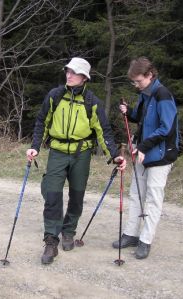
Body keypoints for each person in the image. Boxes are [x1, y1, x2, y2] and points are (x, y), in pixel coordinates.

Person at [26, 57, 126, 265]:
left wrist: (114, 154)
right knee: (52, 192)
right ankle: (51, 240)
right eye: (68, 71)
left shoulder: (92, 102)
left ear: (84, 78)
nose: (69, 75)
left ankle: (69, 231)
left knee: (77, 195)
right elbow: (41, 122)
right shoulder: (55, 96)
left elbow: (103, 132)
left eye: (74, 72)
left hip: (82, 154)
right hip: (57, 152)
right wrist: (35, 146)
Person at [112, 57, 179, 259]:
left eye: (138, 81)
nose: (136, 85)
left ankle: (145, 240)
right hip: (142, 152)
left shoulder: (163, 95)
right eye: (133, 82)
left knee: (152, 198)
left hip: (160, 155)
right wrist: (128, 112)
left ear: (150, 75)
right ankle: (131, 234)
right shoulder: (145, 94)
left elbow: (166, 128)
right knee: (136, 193)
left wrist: (143, 146)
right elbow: (141, 119)